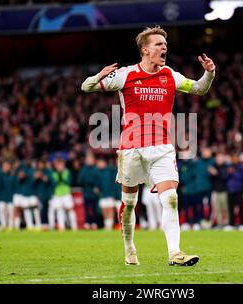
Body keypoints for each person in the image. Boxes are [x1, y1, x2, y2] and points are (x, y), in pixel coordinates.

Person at [81, 25, 216, 266]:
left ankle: (175, 253)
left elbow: (199, 89)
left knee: (171, 198)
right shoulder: (126, 75)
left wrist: (209, 74)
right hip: (131, 149)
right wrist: (98, 76)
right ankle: (129, 247)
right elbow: (86, 87)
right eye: (158, 44)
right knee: (130, 203)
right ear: (145, 50)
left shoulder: (171, 76)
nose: (164, 48)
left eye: (165, 45)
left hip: (162, 147)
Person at [49, 157, 77, 231]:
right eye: (58, 165)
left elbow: (69, 181)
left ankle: (74, 226)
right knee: (59, 210)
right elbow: (53, 183)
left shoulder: (67, 172)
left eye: (61, 165)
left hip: (66, 193)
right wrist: (59, 176)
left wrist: (61, 176)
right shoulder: (53, 173)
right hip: (57, 194)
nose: (59, 167)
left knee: (70, 209)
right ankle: (62, 227)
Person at [77, 153, 100, 230]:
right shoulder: (83, 170)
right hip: (86, 192)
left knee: (94, 209)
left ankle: (94, 223)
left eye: (91, 159)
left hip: (94, 193)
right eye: (88, 159)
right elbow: (80, 181)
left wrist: (96, 186)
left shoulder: (96, 169)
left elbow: (98, 180)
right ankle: (87, 223)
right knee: (86, 209)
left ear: (93, 160)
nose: (89, 161)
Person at [225, 153, 243, 230]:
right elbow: (225, 177)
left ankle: (242, 224)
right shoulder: (228, 167)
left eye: (235, 157)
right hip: (230, 190)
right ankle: (231, 224)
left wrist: (233, 172)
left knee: (241, 208)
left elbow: (242, 177)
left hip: (239, 190)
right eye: (233, 158)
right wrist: (228, 173)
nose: (234, 159)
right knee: (230, 208)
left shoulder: (241, 167)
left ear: (238, 158)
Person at [208, 152, 229, 229]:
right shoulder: (213, 166)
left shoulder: (226, 167)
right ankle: (220, 224)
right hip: (216, 191)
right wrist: (211, 173)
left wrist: (216, 173)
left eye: (221, 158)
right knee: (217, 209)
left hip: (224, 190)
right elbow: (210, 179)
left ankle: (226, 223)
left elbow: (225, 177)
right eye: (218, 158)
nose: (219, 159)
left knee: (225, 208)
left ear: (223, 158)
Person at [0, 161, 15, 231]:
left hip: (11, 197)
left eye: (6, 166)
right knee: (1, 209)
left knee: (11, 212)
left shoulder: (13, 176)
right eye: (4, 166)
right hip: (2, 197)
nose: (5, 168)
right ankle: (3, 225)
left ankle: (10, 226)